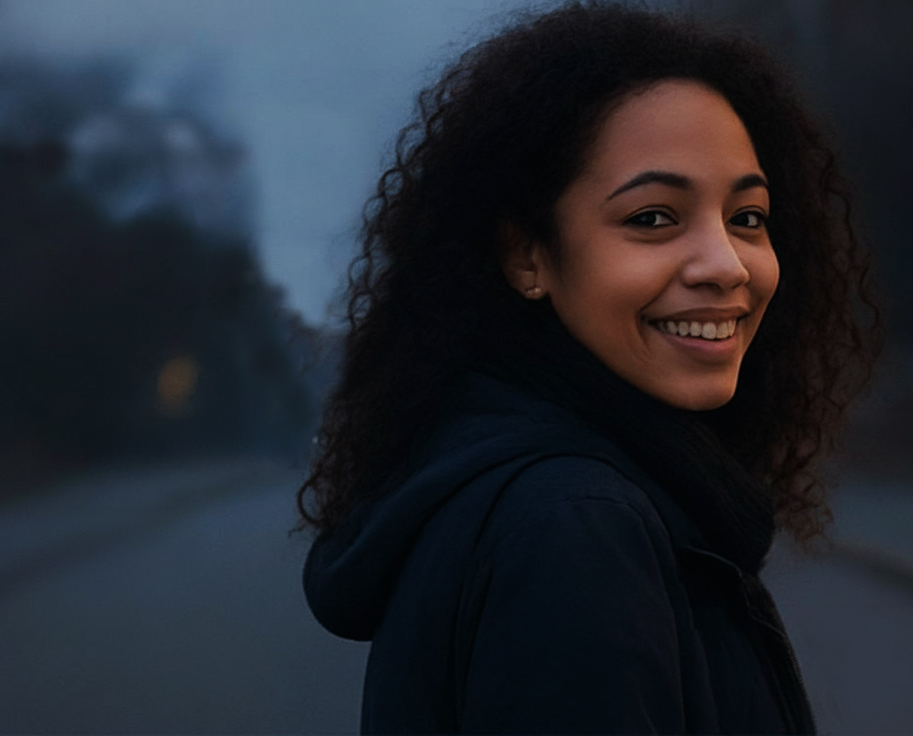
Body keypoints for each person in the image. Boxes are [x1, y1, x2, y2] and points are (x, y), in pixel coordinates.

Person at [296, 3, 877, 734]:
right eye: (653, 218)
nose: (727, 266)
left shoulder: (524, 484)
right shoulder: (574, 527)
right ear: (526, 256)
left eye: (748, 218)